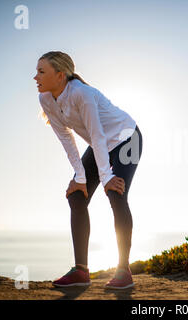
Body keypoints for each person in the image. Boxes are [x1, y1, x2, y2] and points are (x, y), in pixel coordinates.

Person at [34, 51, 142, 289]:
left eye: (42, 72)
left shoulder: (82, 94)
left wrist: (106, 178)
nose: (35, 77)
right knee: (76, 195)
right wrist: (80, 178)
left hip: (127, 138)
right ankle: (81, 272)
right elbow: (66, 138)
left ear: (60, 76)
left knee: (116, 191)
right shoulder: (45, 99)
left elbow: (97, 134)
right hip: (101, 143)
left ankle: (124, 270)